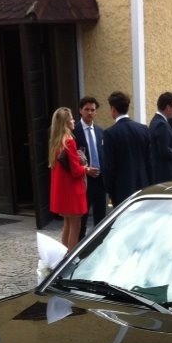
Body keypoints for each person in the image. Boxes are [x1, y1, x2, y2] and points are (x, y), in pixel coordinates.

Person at [48, 107, 90, 250]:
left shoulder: (56, 141)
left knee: (67, 224)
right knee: (76, 226)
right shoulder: (69, 141)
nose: (73, 120)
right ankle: (70, 258)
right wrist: (87, 169)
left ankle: (63, 254)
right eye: (71, 118)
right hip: (72, 190)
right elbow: (75, 170)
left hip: (62, 191)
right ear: (66, 122)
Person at [102, 90, 152, 207]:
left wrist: (109, 189)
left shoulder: (110, 133)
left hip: (121, 189)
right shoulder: (143, 129)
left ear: (113, 109)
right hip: (142, 187)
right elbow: (149, 162)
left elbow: (108, 166)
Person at [73, 96, 106, 240]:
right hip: (83, 180)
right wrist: (86, 170)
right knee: (82, 219)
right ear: (80, 111)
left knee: (101, 218)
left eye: (93, 110)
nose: (90, 113)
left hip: (100, 180)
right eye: (86, 109)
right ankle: (79, 248)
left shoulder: (99, 130)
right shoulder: (75, 131)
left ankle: (98, 245)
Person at [148, 91, 172, 183]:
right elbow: (164, 151)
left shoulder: (158, 121)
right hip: (165, 175)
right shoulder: (161, 124)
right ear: (167, 107)